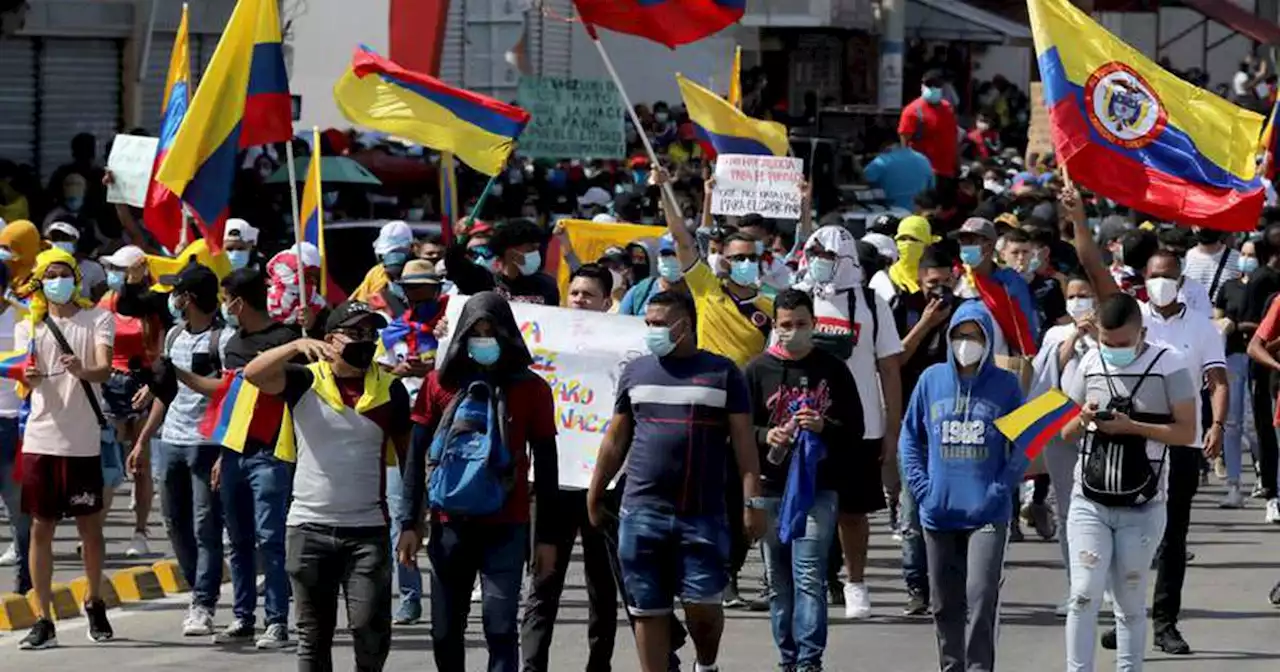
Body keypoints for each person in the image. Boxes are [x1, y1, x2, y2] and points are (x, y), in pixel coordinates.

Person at [587, 290, 764, 672]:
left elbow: (745, 446)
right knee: (647, 609)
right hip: (641, 511)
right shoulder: (636, 372)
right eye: (648, 323)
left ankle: (706, 663)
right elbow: (616, 438)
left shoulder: (723, 373)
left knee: (703, 606)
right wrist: (595, 490)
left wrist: (753, 503)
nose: (653, 330)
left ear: (685, 325)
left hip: (703, 513)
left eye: (661, 324)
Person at [243, 301, 411, 672]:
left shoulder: (391, 390)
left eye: (371, 334)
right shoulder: (305, 380)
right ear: (330, 340)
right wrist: (293, 347)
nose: (365, 341)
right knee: (312, 635)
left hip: (368, 532)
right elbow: (253, 374)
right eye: (355, 333)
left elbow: (409, 458)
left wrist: (413, 523)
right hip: (308, 529)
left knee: (369, 631)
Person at [399, 292, 560, 672]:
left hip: (508, 524)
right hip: (448, 524)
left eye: (492, 331)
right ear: (461, 336)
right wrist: (409, 522)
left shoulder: (532, 389)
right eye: (476, 332)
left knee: (500, 626)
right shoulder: (439, 384)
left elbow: (548, 466)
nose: (484, 339)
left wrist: (547, 539)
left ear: (507, 335)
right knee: (444, 631)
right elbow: (416, 454)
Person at [1060, 293, 1198, 672]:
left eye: (1122, 343)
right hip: (1089, 496)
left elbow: (1187, 432)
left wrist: (1133, 427)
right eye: (1107, 342)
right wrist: (1084, 417)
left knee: (1130, 598)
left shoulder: (1170, 365)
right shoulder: (1089, 362)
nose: (1113, 350)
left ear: (1142, 332)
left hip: (1144, 501)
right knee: (1083, 593)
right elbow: (1065, 430)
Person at [898, 300, 1027, 672]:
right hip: (938, 512)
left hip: (987, 512)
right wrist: (922, 489)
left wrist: (999, 489)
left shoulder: (1005, 385)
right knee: (943, 603)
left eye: (974, 336)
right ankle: (951, 666)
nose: (965, 344)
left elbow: (1021, 445)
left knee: (982, 597)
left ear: (987, 340)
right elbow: (910, 437)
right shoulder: (930, 380)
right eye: (959, 336)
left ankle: (978, 667)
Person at [1118, 248, 1227, 656]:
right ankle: (1125, 618)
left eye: (1168, 275)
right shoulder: (1132, 319)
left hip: (1182, 442)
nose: (1160, 282)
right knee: (1127, 535)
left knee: (1172, 536)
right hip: (1131, 441)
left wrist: (1216, 425)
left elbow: (1217, 380)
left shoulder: (1201, 327)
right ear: (1143, 278)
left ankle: (1165, 623)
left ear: (1181, 281)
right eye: (1154, 275)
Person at [745, 289, 861, 671]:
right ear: (774, 327)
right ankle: (787, 657)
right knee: (779, 581)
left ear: (813, 324)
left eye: (801, 324)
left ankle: (810, 661)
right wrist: (768, 435)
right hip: (771, 486)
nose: (793, 331)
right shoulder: (757, 369)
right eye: (785, 325)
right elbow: (739, 429)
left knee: (809, 575)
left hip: (817, 488)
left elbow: (855, 428)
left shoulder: (833, 369)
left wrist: (824, 425)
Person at [795, 224, 902, 619]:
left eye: (827, 258)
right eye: (814, 256)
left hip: (862, 426)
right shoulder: (801, 298)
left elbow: (889, 368)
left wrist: (893, 429)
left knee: (853, 512)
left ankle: (855, 582)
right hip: (805, 422)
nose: (819, 265)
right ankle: (811, 583)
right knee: (805, 509)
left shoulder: (872, 304)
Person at [520, 263, 621, 671]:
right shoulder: (542, 343)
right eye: (574, 293)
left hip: (603, 488)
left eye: (588, 295)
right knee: (543, 583)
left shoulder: (624, 348)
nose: (579, 300)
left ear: (607, 302)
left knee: (603, 586)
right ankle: (532, 666)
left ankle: (600, 664)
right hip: (550, 486)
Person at [17, 247, 117, 649]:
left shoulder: (98, 319)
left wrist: (83, 369)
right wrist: (30, 377)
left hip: (82, 442)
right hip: (41, 439)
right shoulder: (31, 326)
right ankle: (43, 618)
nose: (58, 280)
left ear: (76, 277)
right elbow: (25, 378)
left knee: (90, 529)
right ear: (41, 281)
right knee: (41, 529)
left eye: (65, 273)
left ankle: (94, 599)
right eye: (50, 274)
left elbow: (104, 369)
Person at [123, 262, 227, 637]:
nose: (173, 299)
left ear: (192, 297)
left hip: (207, 443)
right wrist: (143, 439)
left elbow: (230, 395)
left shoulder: (223, 341)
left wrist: (226, 450)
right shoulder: (173, 338)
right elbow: (166, 396)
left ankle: (203, 602)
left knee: (206, 526)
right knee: (174, 522)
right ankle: (197, 587)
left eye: (178, 292)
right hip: (172, 441)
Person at [208, 268, 299, 648]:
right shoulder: (231, 345)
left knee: (271, 539)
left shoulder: (287, 339)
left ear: (239, 302)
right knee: (239, 540)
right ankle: (243, 616)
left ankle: (276, 620)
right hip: (235, 454)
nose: (224, 307)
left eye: (225, 299)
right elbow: (229, 403)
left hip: (272, 454)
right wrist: (221, 455)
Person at [1030, 272, 1101, 614]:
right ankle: (1076, 585)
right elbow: (1046, 375)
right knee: (1068, 509)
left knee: (1103, 508)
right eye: (1072, 295)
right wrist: (1074, 336)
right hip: (1061, 429)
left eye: (1084, 294)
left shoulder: (1110, 330)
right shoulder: (1056, 333)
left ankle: (1104, 583)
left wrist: (1097, 334)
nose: (1078, 301)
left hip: (1101, 431)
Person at [892, 244, 957, 615]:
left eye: (946, 283)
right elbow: (896, 357)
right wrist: (927, 323)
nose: (939, 290)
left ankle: (947, 584)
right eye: (933, 283)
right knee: (913, 509)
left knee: (952, 507)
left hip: (954, 422)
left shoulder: (965, 310)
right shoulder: (905, 307)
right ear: (920, 280)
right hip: (913, 423)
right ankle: (916, 586)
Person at [97, 244, 159, 559]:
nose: (115, 275)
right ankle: (96, 530)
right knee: (108, 461)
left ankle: (140, 531)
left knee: (140, 463)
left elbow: (159, 349)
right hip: (111, 384)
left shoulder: (152, 304)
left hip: (142, 384)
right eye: (113, 268)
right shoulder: (106, 302)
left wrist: (153, 386)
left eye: (121, 269)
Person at [1213, 241, 1256, 508]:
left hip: (1261, 359)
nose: (1247, 259)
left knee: (1256, 425)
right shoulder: (1228, 287)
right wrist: (1223, 325)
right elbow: (1216, 321)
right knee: (1231, 424)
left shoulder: (1267, 284)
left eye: (1252, 255)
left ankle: (1269, 483)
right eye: (1244, 254)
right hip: (1233, 359)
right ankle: (1234, 485)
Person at [447, 219, 560, 306]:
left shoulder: (546, 285)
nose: (536, 254)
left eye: (537, 249)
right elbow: (455, 267)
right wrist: (459, 241)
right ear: (510, 251)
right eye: (530, 249)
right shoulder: (483, 282)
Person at [898, 69, 959, 180]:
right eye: (929, 84)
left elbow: (953, 136)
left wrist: (957, 162)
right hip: (924, 173)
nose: (932, 87)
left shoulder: (948, 108)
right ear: (922, 85)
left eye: (936, 84)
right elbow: (904, 145)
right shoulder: (912, 111)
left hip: (948, 171)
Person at [620, 234, 692, 316]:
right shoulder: (640, 291)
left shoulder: (698, 295)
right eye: (666, 254)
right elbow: (620, 324)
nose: (671, 259)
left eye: (675, 254)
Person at [863, 133, 936, 210]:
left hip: (892, 212)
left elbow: (864, 179)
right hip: (918, 212)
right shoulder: (924, 159)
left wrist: (856, 165)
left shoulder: (882, 160)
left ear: (885, 147)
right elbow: (931, 188)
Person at [351, 219, 414, 304]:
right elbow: (358, 301)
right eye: (386, 253)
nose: (392, 258)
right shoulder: (376, 273)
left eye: (397, 252)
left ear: (411, 248)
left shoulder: (417, 270)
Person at [44, 220, 105, 299]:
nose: (60, 241)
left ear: (75, 241)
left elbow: (101, 299)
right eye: (55, 238)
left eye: (65, 238)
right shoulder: (40, 267)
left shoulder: (93, 268)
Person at [1182, 227, 1240, 304]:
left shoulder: (1237, 258)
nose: (1206, 226)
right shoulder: (1187, 256)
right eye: (1201, 223)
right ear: (1193, 227)